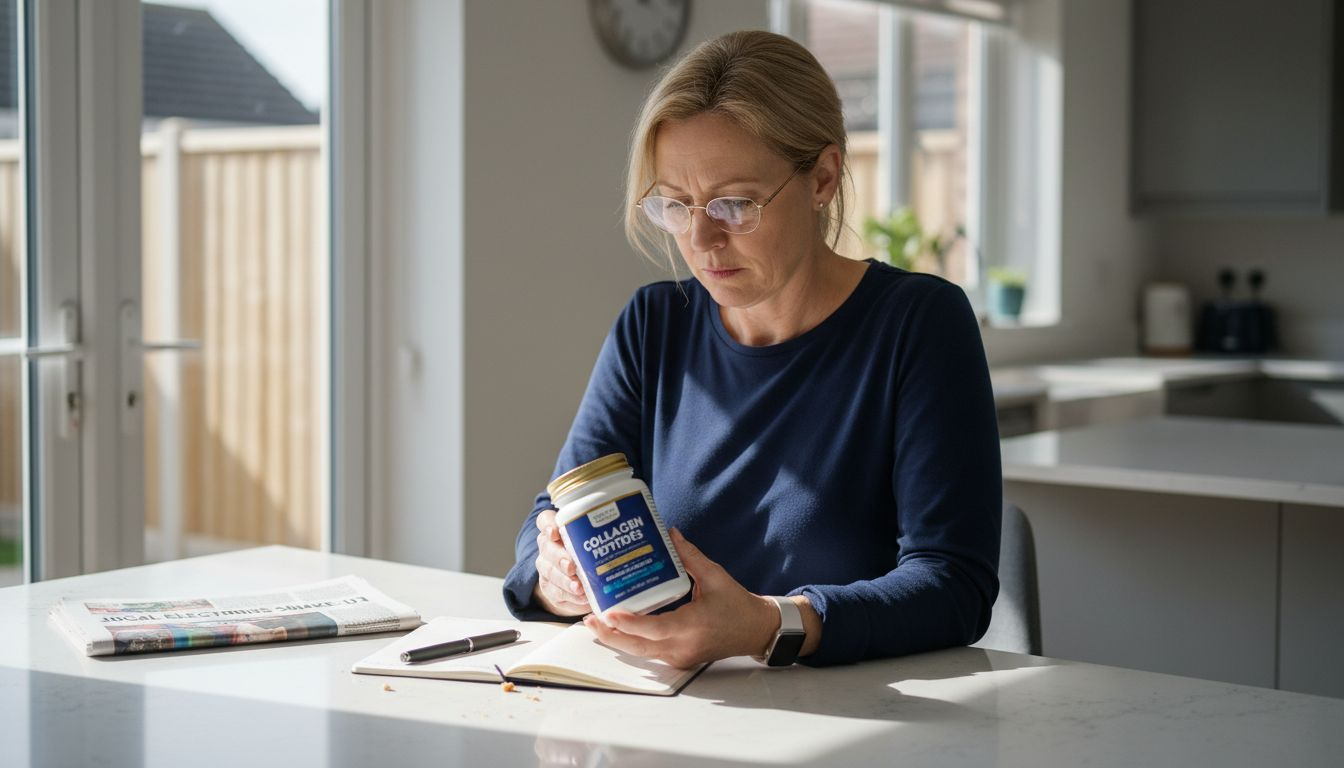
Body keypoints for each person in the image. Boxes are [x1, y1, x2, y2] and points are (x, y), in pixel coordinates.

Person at [502, 30, 1001, 669]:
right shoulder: (654, 326)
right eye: (676, 206)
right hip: (671, 715)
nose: (703, 239)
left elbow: (954, 584)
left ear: (822, 178)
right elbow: (558, 511)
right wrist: (560, 577)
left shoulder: (918, 324)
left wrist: (770, 626)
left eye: (734, 204)